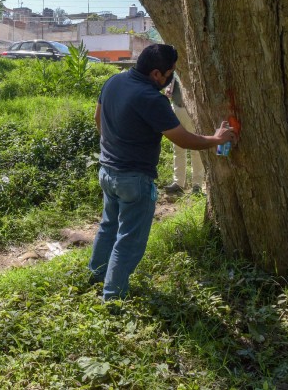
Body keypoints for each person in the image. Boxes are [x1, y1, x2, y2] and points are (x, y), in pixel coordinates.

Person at [88, 44, 236, 301]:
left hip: (107, 170)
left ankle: (96, 276)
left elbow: (98, 118)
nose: (171, 78)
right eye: (170, 73)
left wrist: (115, 145)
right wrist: (216, 138)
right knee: (129, 240)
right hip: (134, 179)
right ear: (157, 74)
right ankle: (112, 298)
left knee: (108, 226)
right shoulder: (151, 98)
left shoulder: (113, 81)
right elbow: (184, 140)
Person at [164, 75, 204, 195]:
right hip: (176, 108)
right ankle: (178, 183)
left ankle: (197, 185)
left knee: (195, 148)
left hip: (192, 111)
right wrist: (167, 88)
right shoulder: (175, 67)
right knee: (177, 148)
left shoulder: (192, 67)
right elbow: (169, 82)